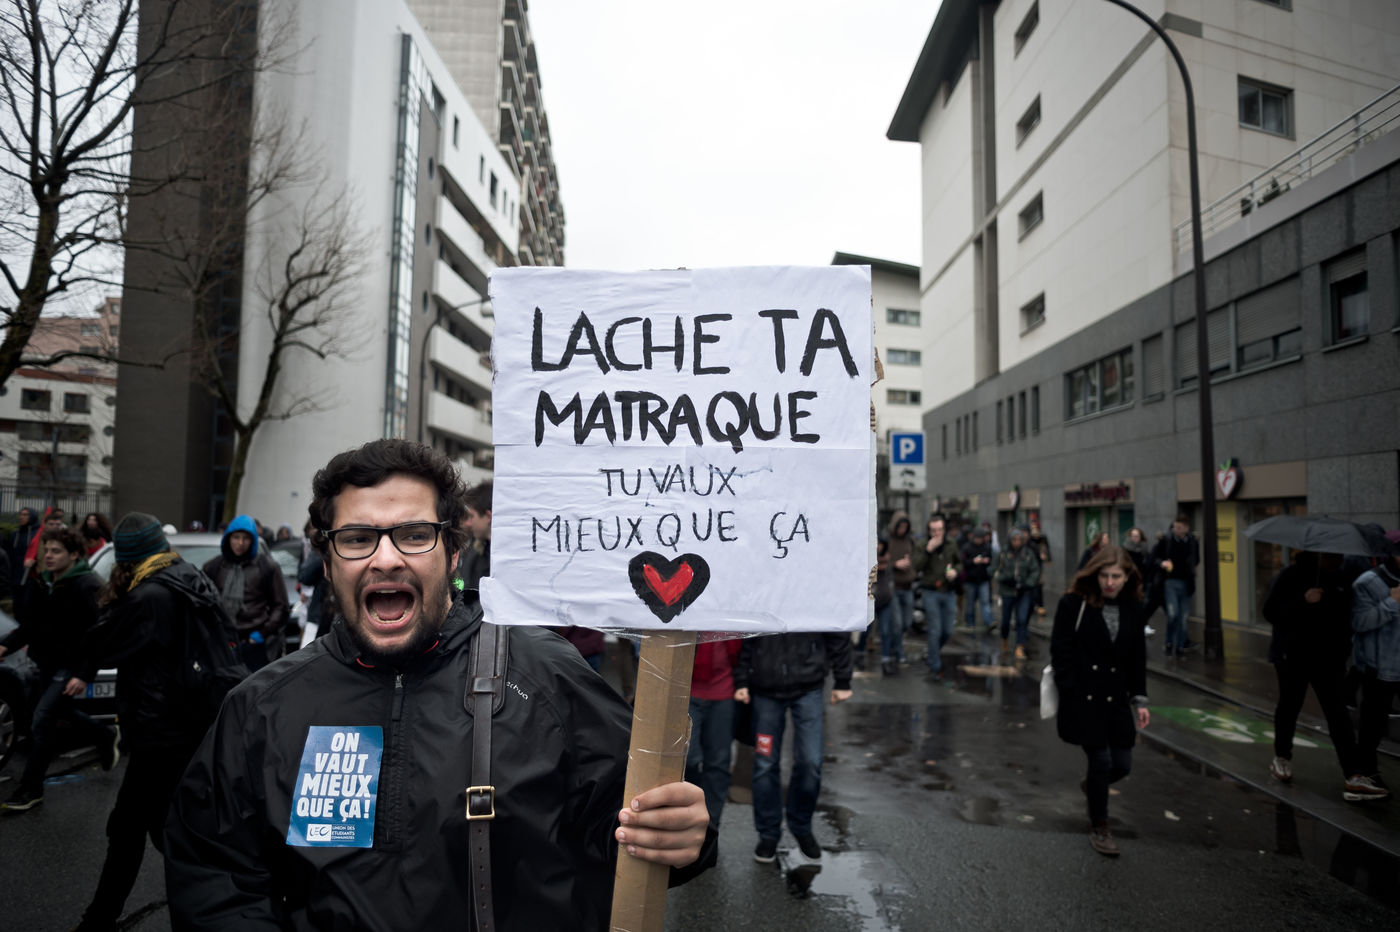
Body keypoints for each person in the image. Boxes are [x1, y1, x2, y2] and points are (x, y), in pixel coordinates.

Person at [164, 439, 711, 930]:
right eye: (357, 538)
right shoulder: (262, 707)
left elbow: (633, 831)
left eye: (413, 535)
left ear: (452, 553)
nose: (385, 558)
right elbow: (215, 877)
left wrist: (680, 835)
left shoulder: (545, 676)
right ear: (327, 563)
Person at [73, 513, 230, 932]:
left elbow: (99, 644)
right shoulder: (188, 577)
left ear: (127, 558)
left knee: (137, 829)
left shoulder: (149, 597)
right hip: (186, 724)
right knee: (155, 827)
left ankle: (212, 910)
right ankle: (103, 918)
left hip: (159, 731)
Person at [0, 526, 118, 811]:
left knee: (41, 720)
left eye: (57, 551)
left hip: (71, 665)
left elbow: (100, 635)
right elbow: (30, 626)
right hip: (46, 663)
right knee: (59, 712)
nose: (49, 556)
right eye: (47, 551)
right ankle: (105, 735)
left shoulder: (87, 585)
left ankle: (30, 789)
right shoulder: (42, 583)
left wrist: (84, 674)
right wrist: (5, 646)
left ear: (74, 555)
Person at [1050, 546, 1150, 857]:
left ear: (1127, 576)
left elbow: (1137, 657)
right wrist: (1069, 688)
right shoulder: (1073, 604)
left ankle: (1093, 785)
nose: (1109, 582)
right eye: (1104, 575)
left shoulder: (1134, 607)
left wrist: (1140, 699)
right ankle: (1100, 827)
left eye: (1116, 576)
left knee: (1121, 764)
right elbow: (1060, 649)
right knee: (1101, 761)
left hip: (1115, 697)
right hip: (1084, 696)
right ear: (1095, 574)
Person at [1263, 551, 1385, 801]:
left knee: (1338, 714)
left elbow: (1347, 619)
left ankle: (1353, 774)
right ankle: (1282, 757)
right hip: (1292, 655)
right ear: (1318, 554)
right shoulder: (1290, 575)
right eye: (1331, 555)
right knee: (1289, 706)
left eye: (1339, 555)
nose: (1337, 559)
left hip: (1328, 659)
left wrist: (1342, 650)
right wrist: (1303, 600)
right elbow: (1270, 611)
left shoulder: (1341, 580)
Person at [734, 631, 852, 863]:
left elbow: (838, 630)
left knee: (810, 763)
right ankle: (768, 834)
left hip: (808, 686)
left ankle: (801, 826)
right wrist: (741, 679)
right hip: (765, 687)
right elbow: (746, 632)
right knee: (765, 765)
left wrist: (843, 679)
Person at [201, 514, 291, 671]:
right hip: (221, 642)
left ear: (253, 540)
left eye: (246, 538)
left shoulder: (266, 567)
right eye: (236, 537)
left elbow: (281, 606)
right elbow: (204, 604)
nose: (240, 543)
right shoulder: (214, 567)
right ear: (228, 538)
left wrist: (262, 633)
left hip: (254, 642)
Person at [1351, 543, 1399, 795]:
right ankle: (1367, 773)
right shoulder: (1368, 583)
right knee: (1372, 726)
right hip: (1379, 668)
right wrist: (1392, 602)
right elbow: (1359, 622)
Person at [687, 637, 741, 828]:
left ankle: (711, 824)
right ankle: (688, 815)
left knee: (718, 763)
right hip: (688, 690)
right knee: (687, 759)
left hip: (723, 693)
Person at [915, 514, 962, 680]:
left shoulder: (951, 543)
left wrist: (955, 571)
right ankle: (934, 666)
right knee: (935, 630)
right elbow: (916, 566)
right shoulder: (922, 544)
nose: (937, 534)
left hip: (948, 591)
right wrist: (928, 551)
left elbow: (959, 562)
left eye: (940, 530)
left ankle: (931, 651)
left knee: (947, 630)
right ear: (929, 531)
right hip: (930, 592)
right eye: (934, 530)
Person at [1152, 514, 1200, 657]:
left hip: (1187, 583)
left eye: (1179, 528)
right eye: (1174, 527)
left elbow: (1197, 559)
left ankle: (1179, 646)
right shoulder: (1166, 540)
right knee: (1173, 614)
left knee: (1183, 617)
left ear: (1186, 528)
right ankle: (1168, 643)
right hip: (1170, 582)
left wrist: (1192, 567)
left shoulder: (1192, 541)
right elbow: (1154, 557)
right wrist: (1162, 563)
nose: (1176, 530)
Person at [994, 528, 1041, 660]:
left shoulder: (1027, 553)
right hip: (1007, 591)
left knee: (1022, 619)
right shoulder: (1003, 553)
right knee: (1006, 620)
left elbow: (1035, 570)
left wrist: (1028, 583)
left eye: (1019, 540)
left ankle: (1020, 646)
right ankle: (1004, 639)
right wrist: (1004, 578)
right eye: (1014, 540)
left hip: (1023, 591)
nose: (1017, 543)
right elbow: (994, 570)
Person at [886, 512, 916, 662]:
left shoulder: (910, 541)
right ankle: (899, 652)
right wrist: (895, 565)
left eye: (905, 527)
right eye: (900, 526)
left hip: (908, 585)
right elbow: (879, 562)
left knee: (907, 622)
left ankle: (894, 644)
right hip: (893, 586)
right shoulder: (888, 541)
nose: (902, 530)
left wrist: (910, 566)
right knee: (897, 623)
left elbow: (916, 558)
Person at [457, 480, 492, 607]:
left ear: (488, 516)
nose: (470, 523)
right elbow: (463, 584)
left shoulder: (502, 558)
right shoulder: (476, 548)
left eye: (472, 516)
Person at [1121, 527, 1157, 637]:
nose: (1135, 538)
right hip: (1129, 582)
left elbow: (1149, 564)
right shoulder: (1125, 550)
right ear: (1130, 537)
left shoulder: (1144, 549)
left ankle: (1143, 625)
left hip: (1142, 581)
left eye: (1137, 536)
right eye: (1133, 536)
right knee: (1130, 605)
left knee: (1141, 604)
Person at [961, 526, 995, 631]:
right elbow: (963, 562)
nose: (979, 540)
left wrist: (986, 561)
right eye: (978, 538)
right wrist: (973, 561)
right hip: (970, 579)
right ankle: (970, 622)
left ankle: (989, 622)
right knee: (970, 602)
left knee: (985, 602)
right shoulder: (967, 547)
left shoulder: (987, 546)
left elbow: (991, 560)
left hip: (983, 578)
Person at [873, 537, 896, 675]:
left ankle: (886, 660)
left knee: (885, 631)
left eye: (881, 544)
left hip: (885, 599)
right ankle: (860, 654)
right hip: (870, 598)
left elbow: (888, 569)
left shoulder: (888, 558)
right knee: (865, 630)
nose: (879, 547)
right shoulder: (867, 556)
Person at [1028, 518, 1051, 616]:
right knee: (1033, 586)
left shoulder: (1042, 538)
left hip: (1038, 564)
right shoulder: (1029, 540)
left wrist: (1048, 559)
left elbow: (1046, 548)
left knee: (1038, 585)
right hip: (1030, 565)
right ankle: (1033, 605)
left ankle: (1039, 605)